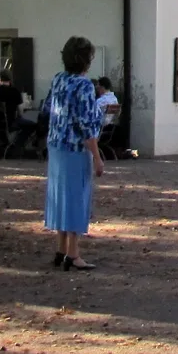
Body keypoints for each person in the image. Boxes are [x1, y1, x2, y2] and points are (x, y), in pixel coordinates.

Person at [44, 36, 105, 271]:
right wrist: (98, 157)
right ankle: (73, 252)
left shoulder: (58, 80)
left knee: (59, 196)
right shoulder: (84, 86)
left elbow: (50, 108)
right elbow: (87, 125)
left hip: (56, 144)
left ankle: (61, 248)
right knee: (76, 199)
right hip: (75, 148)